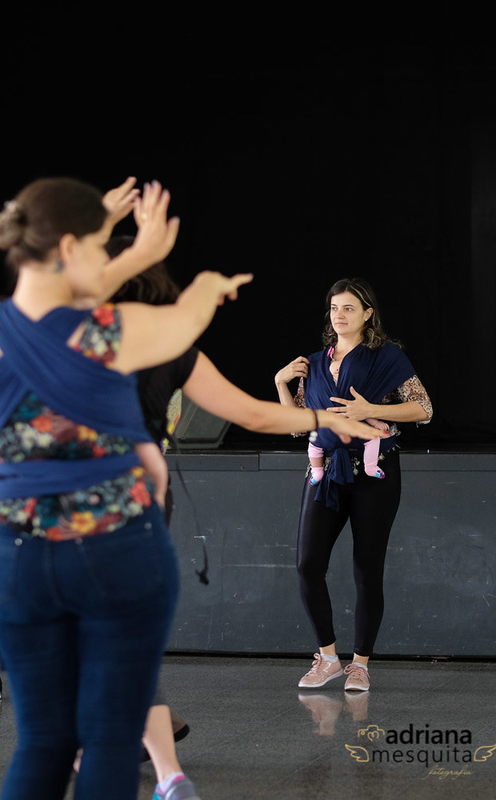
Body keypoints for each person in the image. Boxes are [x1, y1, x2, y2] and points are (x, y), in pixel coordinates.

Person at [0, 176, 251, 800]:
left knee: (43, 743)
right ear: (67, 248)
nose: (104, 261)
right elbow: (183, 321)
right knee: (111, 741)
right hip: (112, 550)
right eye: (97, 248)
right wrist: (203, 286)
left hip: (20, 558)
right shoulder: (106, 330)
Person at [108, 245, 383, 800]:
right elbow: (253, 413)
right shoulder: (172, 348)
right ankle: (165, 768)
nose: (338, 314)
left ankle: (138, 755)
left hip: (79, 513)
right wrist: (321, 415)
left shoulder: (58, 342)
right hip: (142, 507)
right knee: (119, 644)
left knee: (95, 648)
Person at [275, 277, 433, 693]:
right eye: (333, 308)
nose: (339, 315)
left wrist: (371, 409)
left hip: (374, 473)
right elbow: (297, 426)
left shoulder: (387, 356)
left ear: (367, 313)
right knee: (308, 565)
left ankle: (360, 664)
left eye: (348, 308)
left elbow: (423, 408)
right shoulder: (313, 361)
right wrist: (280, 384)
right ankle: (328, 658)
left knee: (367, 569)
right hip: (325, 472)